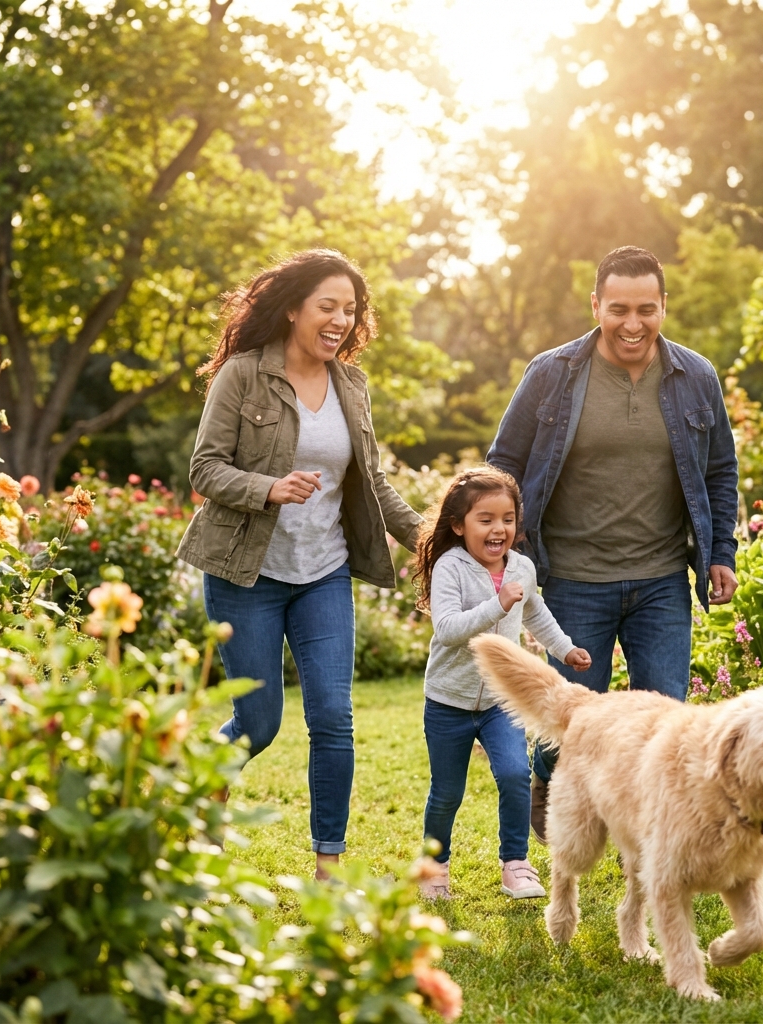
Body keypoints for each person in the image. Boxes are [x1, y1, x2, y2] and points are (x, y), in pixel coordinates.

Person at [177, 248, 422, 879]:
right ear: (292, 309)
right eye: (328, 306)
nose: (341, 319)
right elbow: (204, 469)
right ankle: (194, 792)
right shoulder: (243, 374)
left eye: (350, 309)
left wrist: (432, 537)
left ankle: (329, 867)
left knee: (334, 719)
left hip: (324, 574)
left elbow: (371, 480)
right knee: (258, 722)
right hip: (246, 573)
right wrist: (268, 488)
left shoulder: (352, 385)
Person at [487, 245, 739, 842]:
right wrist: (501, 541)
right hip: (573, 581)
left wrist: (720, 552)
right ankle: (550, 784)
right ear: (596, 304)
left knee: (665, 725)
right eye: (619, 308)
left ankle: (651, 841)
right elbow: (505, 461)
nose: (633, 324)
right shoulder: (552, 374)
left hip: (660, 583)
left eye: (646, 309)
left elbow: (720, 471)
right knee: (568, 724)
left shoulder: (695, 377)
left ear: (663, 306)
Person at [411, 466, 591, 899]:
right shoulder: (450, 567)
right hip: (448, 702)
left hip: (501, 701)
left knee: (514, 774)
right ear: (459, 525)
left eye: (507, 519)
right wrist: (496, 604)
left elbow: (535, 613)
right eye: (485, 519)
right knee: (447, 792)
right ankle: (434, 868)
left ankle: (516, 863)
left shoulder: (522, 568)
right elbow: (450, 628)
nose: (499, 529)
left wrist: (564, 648)